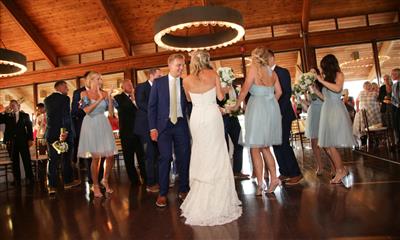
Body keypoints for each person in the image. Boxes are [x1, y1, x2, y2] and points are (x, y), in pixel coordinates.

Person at [180, 50, 241, 226]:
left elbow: (189, 100)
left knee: (201, 152)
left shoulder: (186, 80)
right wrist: (227, 88)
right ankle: (219, 195)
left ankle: (202, 193)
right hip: (213, 115)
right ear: (207, 60)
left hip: (198, 117)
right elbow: (220, 97)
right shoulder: (213, 74)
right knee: (217, 151)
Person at [231, 47, 282, 195]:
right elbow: (279, 92)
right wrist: (270, 103)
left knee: (254, 148)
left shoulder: (253, 69)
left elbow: (244, 90)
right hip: (270, 110)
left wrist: (235, 105)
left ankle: (260, 184)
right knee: (265, 147)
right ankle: (274, 178)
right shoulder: (273, 73)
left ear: (255, 57)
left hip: (256, 110)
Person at [148, 53, 191, 207]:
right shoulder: (158, 83)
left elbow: (190, 105)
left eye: (183, 64)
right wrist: (152, 128)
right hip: (163, 127)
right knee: (165, 158)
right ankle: (162, 193)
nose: (181, 68)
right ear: (170, 65)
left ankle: (184, 189)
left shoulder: (186, 82)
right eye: (178, 65)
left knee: (184, 157)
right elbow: (151, 107)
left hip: (180, 125)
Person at [317, 54, 356, 184]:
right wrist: (313, 89)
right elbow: (325, 97)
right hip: (327, 109)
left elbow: (338, 88)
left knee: (330, 144)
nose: (321, 68)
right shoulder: (327, 78)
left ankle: (340, 170)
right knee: (327, 145)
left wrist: (321, 80)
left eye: (323, 66)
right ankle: (341, 168)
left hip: (335, 111)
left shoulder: (339, 74)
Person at [77, 71, 117, 197]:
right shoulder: (84, 93)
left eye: (100, 78)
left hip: (103, 123)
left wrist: (109, 98)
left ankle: (104, 179)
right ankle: (95, 185)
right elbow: (87, 111)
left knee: (111, 155)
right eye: (96, 79)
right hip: (91, 125)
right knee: (96, 157)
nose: (99, 81)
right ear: (90, 80)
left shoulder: (105, 93)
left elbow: (110, 113)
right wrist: (99, 99)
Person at [269, 50, 303, 185]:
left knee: (283, 142)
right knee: (275, 143)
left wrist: (278, 111)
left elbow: (286, 93)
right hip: (271, 114)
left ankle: (295, 173)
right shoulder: (265, 74)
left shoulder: (282, 72)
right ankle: (284, 171)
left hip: (283, 113)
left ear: (272, 58)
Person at [44, 81, 80, 194]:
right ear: (59, 87)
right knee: (66, 159)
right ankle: (68, 182)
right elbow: (65, 117)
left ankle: (52, 186)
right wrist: (64, 133)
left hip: (50, 134)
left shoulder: (47, 100)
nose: (67, 89)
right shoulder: (65, 99)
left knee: (52, 160)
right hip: (63, 134)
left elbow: (50, 118)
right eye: (65, 87)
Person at [135, 68, 162, 192]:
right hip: (145, 127)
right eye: (158, 75)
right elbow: (141, 103)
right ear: (151, 75)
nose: (161, 77)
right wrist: (156, 111)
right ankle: (150, 183)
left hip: (158, 126)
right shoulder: (141, 87)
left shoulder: (160, 87)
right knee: (149, 156)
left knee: (158, 155)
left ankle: (159, 180)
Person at [114, 79, 146, 185]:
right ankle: (134, 180)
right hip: (126, 133)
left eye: (131, 84)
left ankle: (146, 178)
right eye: (127, 84)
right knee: (128, 158)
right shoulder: (118, 98)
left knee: (142, 157)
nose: (130, 86)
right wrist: (132, 100)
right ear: (122, 87)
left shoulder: (137, 97)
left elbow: (141, 110)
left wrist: (134, 99)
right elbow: (126, 108)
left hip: (139, 132)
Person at [0, 100, 34, 186]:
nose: (12, 107)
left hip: (23, 141)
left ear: (18, 106)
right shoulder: (7, 116)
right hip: (11, 142)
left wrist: (30, 139)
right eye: (10, 105)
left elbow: (29, 128)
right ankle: (17, 180)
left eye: (13, 105)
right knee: (14, 162)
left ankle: (30, 178)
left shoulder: (25, 115)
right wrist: (4, 111)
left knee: (26, 160)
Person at [217, 85, 248, 179]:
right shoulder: (219, 88)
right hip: (223, 119)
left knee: (239, 143)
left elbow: (238, 101)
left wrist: (239, 108)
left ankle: (237, 171)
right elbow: (218, 102)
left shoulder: (235, 87)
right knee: (224, 146)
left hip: (234, 118)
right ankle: (224, 173)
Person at [304, 68, 326, 176]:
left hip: (321, 111)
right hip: (312, 113)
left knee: (325, 142)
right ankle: (320, 166)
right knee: (314, 142)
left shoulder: (322, 84)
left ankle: (335, 167)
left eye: (314, 72)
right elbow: (309, 103)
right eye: (310, 72)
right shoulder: (307, 86)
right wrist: (300, 100)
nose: (312, 74)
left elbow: (324, 99)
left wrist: (315, 90)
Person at [391, 68, 400, 147]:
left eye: (393, 74)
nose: (391, 76)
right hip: (398, 107)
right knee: (396, 125)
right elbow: (392, 99)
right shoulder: (394, 86)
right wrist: (397, 104)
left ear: (397, 74)